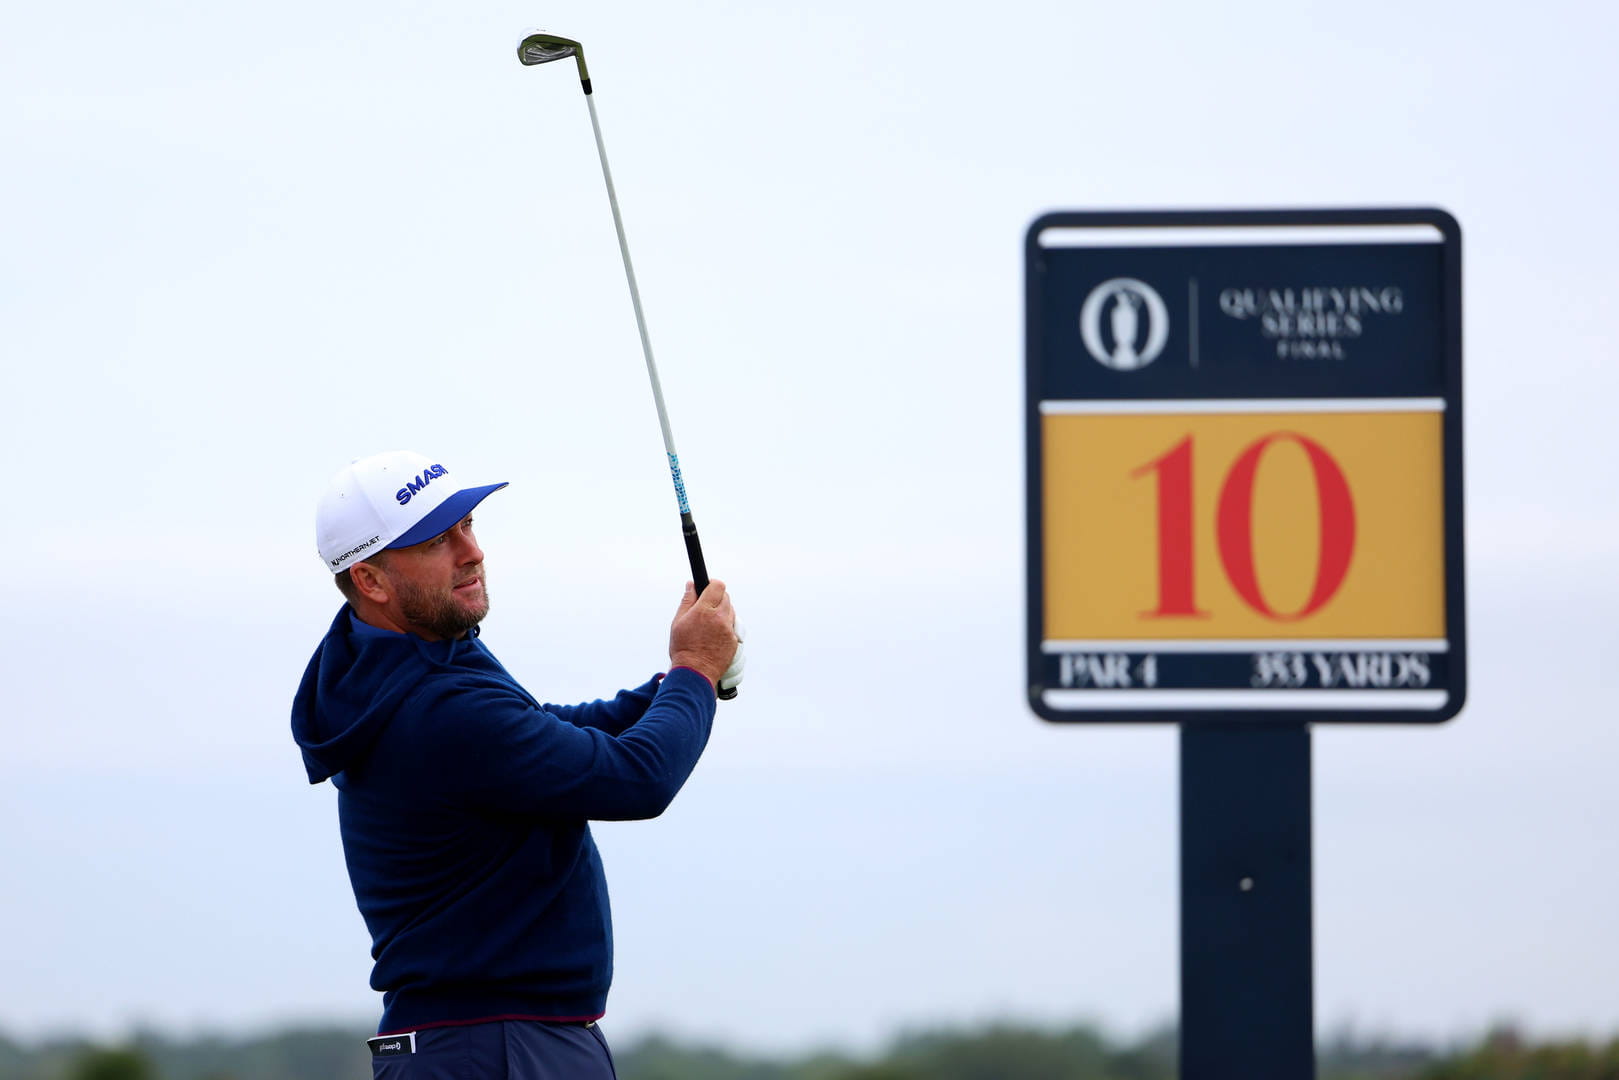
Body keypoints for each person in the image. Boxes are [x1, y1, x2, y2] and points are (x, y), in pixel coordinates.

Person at [291, 449, 742, 1079]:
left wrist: (680, 679)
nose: (470, 551)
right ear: (370, 580)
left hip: (475, 1042)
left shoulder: (399, 670)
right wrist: (695, 671)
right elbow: (638, 779)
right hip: (498, 1048)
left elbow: (543, 730)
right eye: (436, 540)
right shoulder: (439, 706)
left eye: (467, 526)